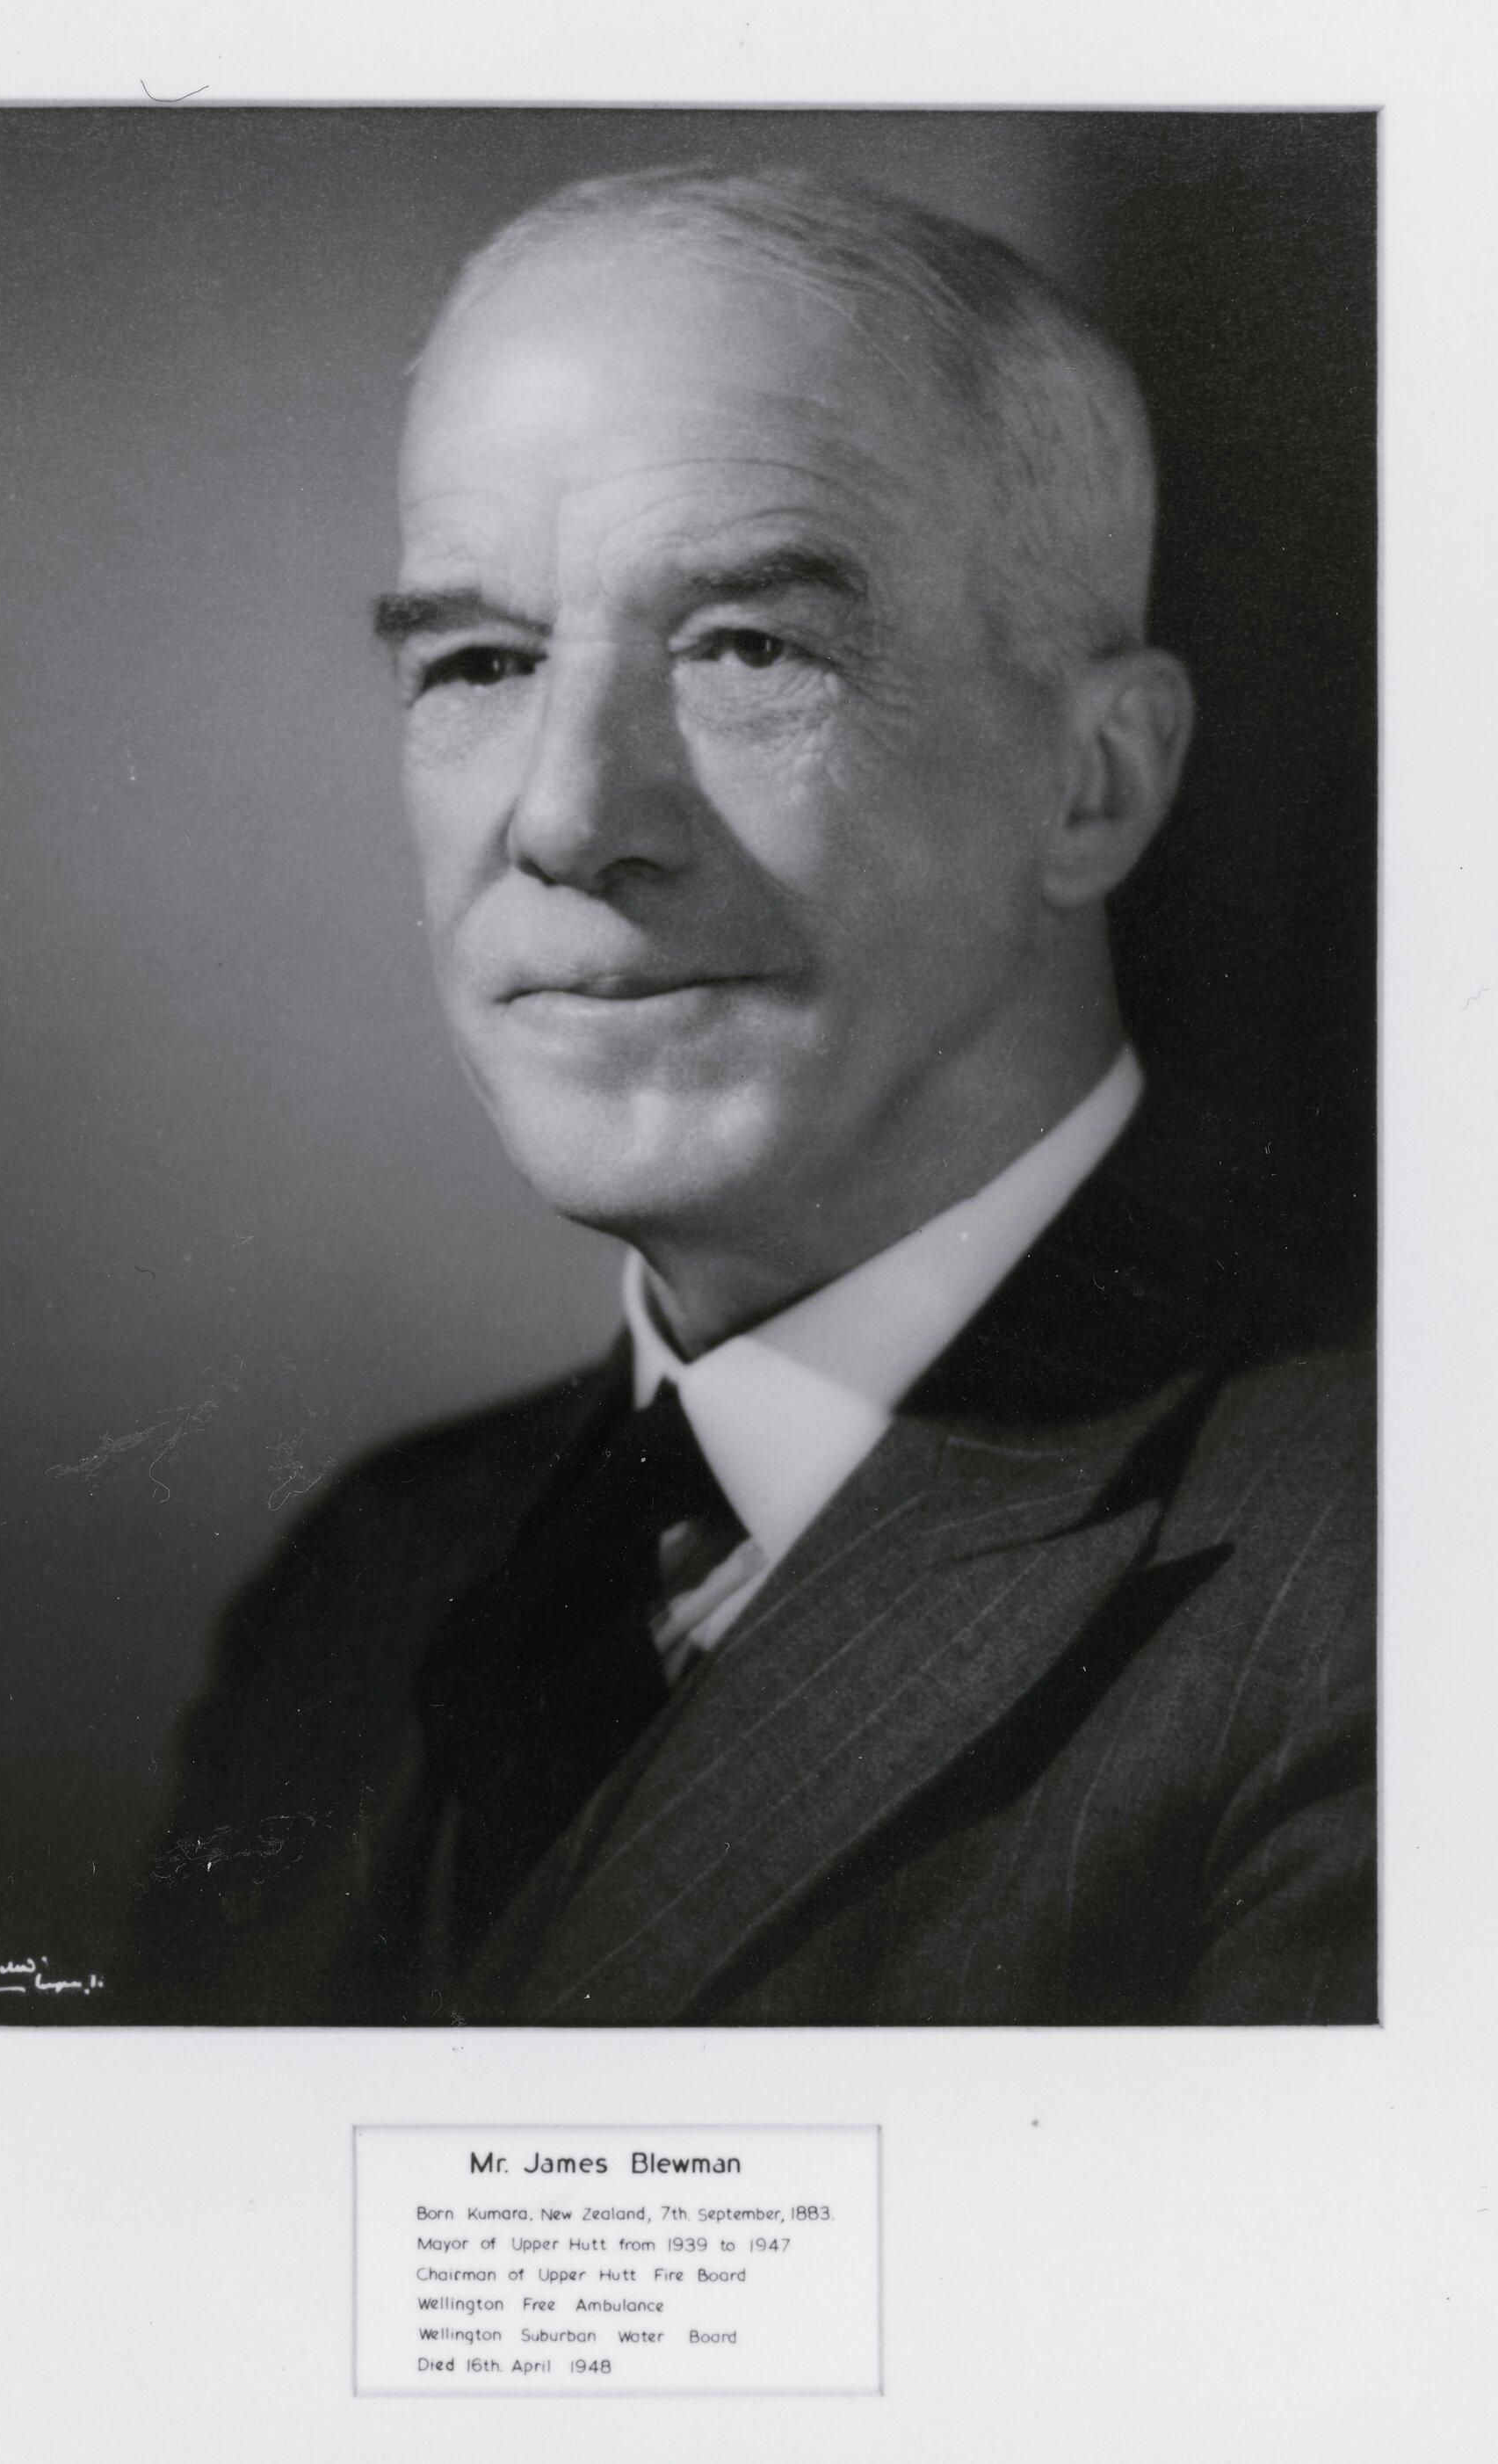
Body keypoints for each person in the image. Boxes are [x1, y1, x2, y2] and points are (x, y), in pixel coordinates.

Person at [128, 167, 1374, 2027]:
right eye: (478, 661)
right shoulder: (363, 1583)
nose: (563, 816)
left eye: (748, 648)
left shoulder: (1396, 1584)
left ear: (1094, 781)